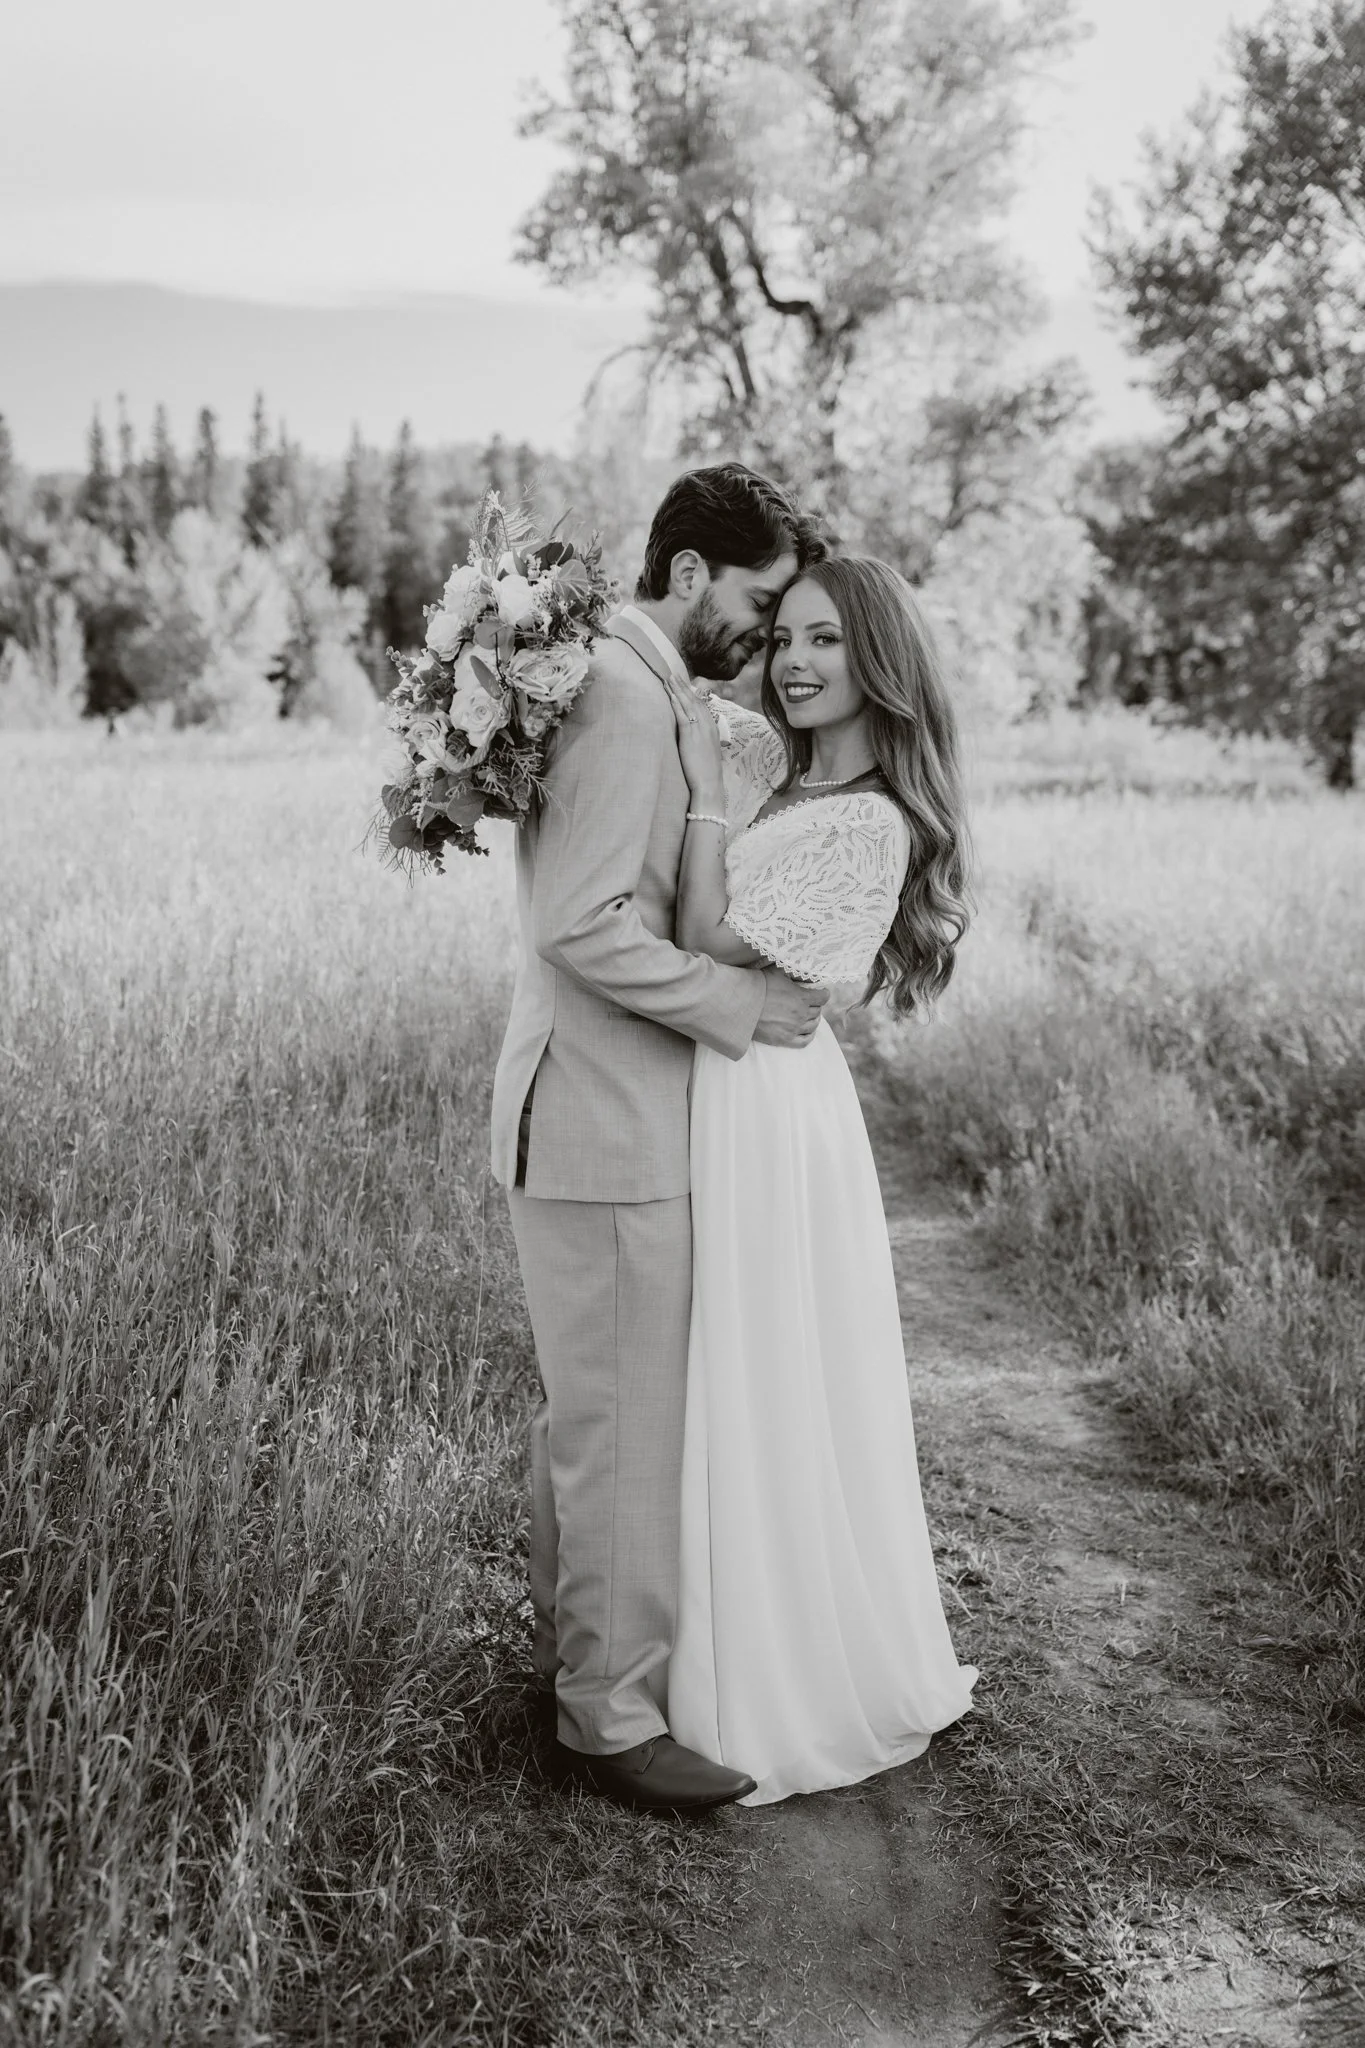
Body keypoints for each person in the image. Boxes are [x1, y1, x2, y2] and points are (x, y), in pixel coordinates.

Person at [489, 464, 828, 1813]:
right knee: (622, 1432)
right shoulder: (627, 697)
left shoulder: (643, 682)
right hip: (603, 1119)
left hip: (595, 1116)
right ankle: (612, 1721)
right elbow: (577, 925)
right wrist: (741, 1008)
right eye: (759, 598)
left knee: (593, 1423)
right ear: (689, 573)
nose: (767, 628)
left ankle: (574, 1678)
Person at [661, 555, 978, 1804]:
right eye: (784, 637)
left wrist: (702, 802)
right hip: (716, 1077)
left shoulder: (867, 822)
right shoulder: (775, 765)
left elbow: (703, 935)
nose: (793, 662)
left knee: (763, 1362)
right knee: (706, 1361)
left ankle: (773, 1672)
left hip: (769, 1106)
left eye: (827, 642)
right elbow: (672, 698)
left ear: (880, 661)